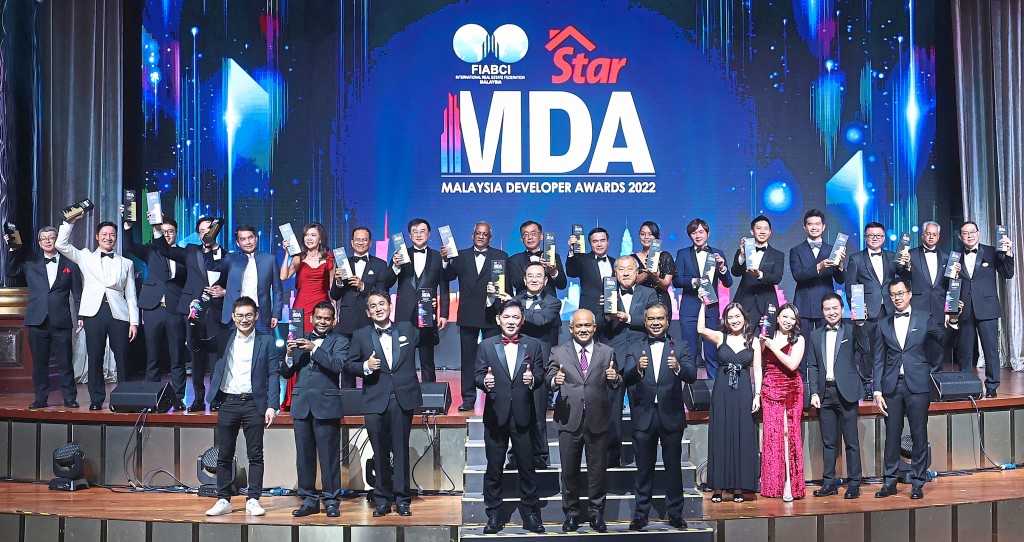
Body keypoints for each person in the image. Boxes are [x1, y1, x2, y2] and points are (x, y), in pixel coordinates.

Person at [872, 279, 958, 499]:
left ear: (909, 294)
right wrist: (877, 391)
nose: (897, 298)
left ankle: (918, 482)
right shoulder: (883, 323)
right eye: (893, 294)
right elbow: (878, 360)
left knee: (919, 435)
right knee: (891, 436)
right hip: (892, 387)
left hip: (917, 385)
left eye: (901, 293)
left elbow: (944, 340)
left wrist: (954, 321)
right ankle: (890, 481)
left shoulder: (923, 317)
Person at [344, 291, 422, 517]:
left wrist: (430, 311)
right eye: (373, 306)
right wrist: (365, 366)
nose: (378, 308)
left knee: (400, 450)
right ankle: (382, 500)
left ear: (390, 306)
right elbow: (349, 365)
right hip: (374, 399)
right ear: (368, 312)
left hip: (401, 398)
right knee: (379, 451)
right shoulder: (360, 335)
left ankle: (402, 498)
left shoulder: (407, 329)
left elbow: (430, 338)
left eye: (382, 303)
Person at [203, 297, 281, 517]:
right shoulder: (225, 337)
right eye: (240, 315)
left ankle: (253, 499)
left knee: (255, 454)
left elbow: (273, 374)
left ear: (256, 316)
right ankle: (223, 499)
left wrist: (272, 405)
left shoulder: (266, 342)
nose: (244, 319)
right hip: (228, 402)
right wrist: (193, 321)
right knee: (224, 454)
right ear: (233, 317)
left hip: (254, 404)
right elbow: (200, 345)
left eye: (249, 315)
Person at [622, 302, 696, 530]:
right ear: (645, 322)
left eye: (660, 319)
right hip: (643, 416)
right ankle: (641, 514)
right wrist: (638, 369)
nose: (656, 323)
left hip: (671, 415)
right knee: (644, 468)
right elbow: (626, 377)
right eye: (652, 319)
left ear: (667, 321)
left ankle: (675, 513)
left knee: (673, 468)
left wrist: (677, 369)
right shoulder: (634, 346)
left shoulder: (680, 346)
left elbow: (692, 375)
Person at [474, 300, 546, 534]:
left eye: (516, 317)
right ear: (498, 319)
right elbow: (477, 375)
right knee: (494, 468)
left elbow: (540, 374)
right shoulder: (486, 345)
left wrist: (533, 380)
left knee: (527, 467)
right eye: (507, 317)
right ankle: (494, 514)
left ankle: (531, 515)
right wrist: (485, 382)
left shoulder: (533, 345)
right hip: (496, 415)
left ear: (522, 320)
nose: (511, 321)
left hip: (524, 415)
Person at [546, 309, 620, 533]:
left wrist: (615, 378)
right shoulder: (558, 352)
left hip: (598, 418)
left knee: (598, 471)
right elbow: (548, 377)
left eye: (588, 325)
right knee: (569, 470)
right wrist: (554, 381)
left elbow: (616, 379)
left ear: (594, 328)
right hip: (569, 419)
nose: (583, 330)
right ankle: (571, 513)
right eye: (579, 326)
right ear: (571, 329)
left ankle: (597, 513)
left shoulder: (607, 352)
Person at [55, 215, 139, 410]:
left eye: (112, 234)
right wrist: (69, 222)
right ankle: (96, 399)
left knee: (123, 358)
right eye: (104, 234)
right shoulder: (85, 256)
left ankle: (124, 398)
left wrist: (134, 321)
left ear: (116, 238)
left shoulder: (126, 263)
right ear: (97, 237)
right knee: (95, 357)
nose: (108, 237)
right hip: (93, 312)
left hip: (119, 313)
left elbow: (132, 295)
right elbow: (61, 244)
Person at [152, 216, 229, 411]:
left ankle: (216, 397)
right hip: (194, 308)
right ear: (198, 234)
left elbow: (234, 283)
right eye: (202, 231)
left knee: (216, 357)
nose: (205, 233)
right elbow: (165, 250)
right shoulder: (190, 251)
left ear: (216, 231)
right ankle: (198, 399)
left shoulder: (227, 255)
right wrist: (157, 230)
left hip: (217, 309)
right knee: (196, 356)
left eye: (209, 229)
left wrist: (225, 292)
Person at [282, 301, 348, 518]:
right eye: (318, 318)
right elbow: (285, 373)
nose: (322, 322)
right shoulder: (300, 339)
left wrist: (315, 349)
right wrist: (290, 355)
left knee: (328, 457)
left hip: (326, 405)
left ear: (334, 321)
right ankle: (308, 499)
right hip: (301, 405)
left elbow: (338, 366)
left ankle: (331, 500)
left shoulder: (340, 341)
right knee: (304, 456)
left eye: (327, 318)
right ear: (311, 319)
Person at [6, 227, 83, 409]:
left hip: (61, 319)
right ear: (39, 243)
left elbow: (78, 293)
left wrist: (81, 316)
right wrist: (11, 249)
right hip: (37, 319)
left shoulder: (70, 263)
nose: (48, 241)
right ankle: (41, 398)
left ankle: (69, 397)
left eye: (51, 238)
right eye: (44, 239)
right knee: (39, 363)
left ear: (57, 240)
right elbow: (10, 272)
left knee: (65, 362)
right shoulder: (30, 262)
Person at [696, 302, 760, 503]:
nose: (734, 320)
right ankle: (717, 487)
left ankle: (739, 487)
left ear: (745, 318)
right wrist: (702, 305)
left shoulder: (753, 341)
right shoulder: (720, 337)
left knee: (742, 435)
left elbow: (757, 370)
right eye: (730, 317)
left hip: (743, 391)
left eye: (737, 316)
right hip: (722, 391)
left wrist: (757, 394)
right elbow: (700, 329)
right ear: (725, 319)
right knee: (721, 435)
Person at [123, 213, 188, 410]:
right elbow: (129, 247)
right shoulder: (151, 251)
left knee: (177, 356)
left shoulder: (185, 254)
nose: (167, 235)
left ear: (177, 233)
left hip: (175, 309)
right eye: (163, 231)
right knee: (152, 356)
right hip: (152, 309)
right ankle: (152, 396)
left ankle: (177, 398)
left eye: (170, 232)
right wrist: (127, 226)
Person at [807, 293, 869, 499]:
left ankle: (854, 483)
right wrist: (814, 391)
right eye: (827, 309)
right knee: (829, 442)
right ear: (822, 311)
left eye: (835, 308)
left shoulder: (851, 330)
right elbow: (813, 366)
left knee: (851, 442)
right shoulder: (815, 335)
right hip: (825, 394)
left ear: (843, 310)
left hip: (847, 393)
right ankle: (829, 482)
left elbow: (865, 348)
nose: (831, 312)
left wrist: (860, 325)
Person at [442, 221, 510, 411]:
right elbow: (448, 276)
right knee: (468, 359)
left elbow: (506, 287)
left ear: (490, 237)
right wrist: (446, 260)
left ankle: (495, 397)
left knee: (494, 359)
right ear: (472, 235)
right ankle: (469, 398)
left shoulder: (501, 256)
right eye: (478, 233)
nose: (481, 236)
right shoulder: (460, 256)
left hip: (491, 314)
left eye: (485, 234)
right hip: (468, 315)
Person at [602, 256, 656, 467]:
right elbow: (596, 325)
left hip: (640, 357)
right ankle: (612, 459)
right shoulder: (606, 292)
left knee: (641, 411)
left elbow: (654, 320)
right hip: (613, 359)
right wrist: (604, 312)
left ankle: (640, 458)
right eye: (621, 269)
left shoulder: (649, 293)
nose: (625, 273)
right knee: (612, 413)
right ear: (615, 273)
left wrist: (627, 318)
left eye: (630, 269)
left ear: (637, 272)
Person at [845, 221, 909, 399]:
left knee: (891, 348)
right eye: (871, 235)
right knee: (868, 352)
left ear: (884, 238)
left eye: (879, 236)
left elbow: (904, 276)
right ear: (865, 238)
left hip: (890, 309)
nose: (875, 239)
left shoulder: (891, 256)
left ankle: (887, 384)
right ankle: (866, 386)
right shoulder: (856, 259)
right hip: (868, 312)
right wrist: (857, 311)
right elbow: (850, 287)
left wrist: (907, 266)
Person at [508, 262, 561, 469]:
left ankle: (540, 456)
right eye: (530, 275)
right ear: (524, 279)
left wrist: (516, 311)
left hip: (540, 362)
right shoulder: (514, 300)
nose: (534, 279)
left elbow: (540, 320)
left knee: (538, 412)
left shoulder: (553, 302)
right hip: (515, 359)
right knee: (515, 410)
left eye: (539, 276)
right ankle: (515, 456)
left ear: (545, 280)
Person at [384, 218, 449, 383]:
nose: (419, 235)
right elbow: (387, 282)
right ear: (409, 235)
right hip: (405, 313)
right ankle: (406, 395)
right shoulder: (400, 255)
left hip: (428, 313)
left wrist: (444, 313)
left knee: (427, 358)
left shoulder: (437, 256)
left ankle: (430, 398)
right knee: (404, 357)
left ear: (429, 234)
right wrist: (395, 266)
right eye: (415, 232)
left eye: (422, 231)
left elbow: (444, 285)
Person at [955, 221, 1014, 396]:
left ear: (979, 233)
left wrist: (1009, 252)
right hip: (964, 308)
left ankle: (992, 386)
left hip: (987, 308)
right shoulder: (954, 255)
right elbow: (949, 284)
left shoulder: (991, 251)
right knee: (965, 351)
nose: (969, 235)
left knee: (990, 349)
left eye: (972, 232)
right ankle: (966, 386)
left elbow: (1008, 273)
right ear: (960, 237)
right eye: (965, 233)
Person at [280, 222, 334, 407]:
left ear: (320, 238)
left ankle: (318, 392)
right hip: (300, 308)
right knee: (297, 348)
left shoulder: (329, 258)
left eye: (313, 235)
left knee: (319, 347)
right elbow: (284, 276)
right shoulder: (298, 257)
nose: (309, 238)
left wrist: (336, 311)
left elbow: (333, 288)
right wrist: (287, 253)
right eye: (306, 235)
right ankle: (293, 396)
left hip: (322, 308)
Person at [757, 303, 806, 501]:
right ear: (777, 318)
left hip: (791, 388)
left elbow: (792, 365)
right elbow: (758, 360)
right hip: (770, 389)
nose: (787, 321)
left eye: (792, 318)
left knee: (789, 434)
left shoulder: (798, 339)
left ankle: (789, 483)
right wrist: (758, 391)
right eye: (784, 316)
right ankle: (771, 483)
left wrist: (773, 347)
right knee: (773, 436)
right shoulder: (766, 335)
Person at [673, 218, 732, 378]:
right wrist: (693, 281)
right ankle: (690, 394)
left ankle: (715, 391)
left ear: (708, 233)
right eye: (694, 232)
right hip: (689, 309)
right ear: (689, 235)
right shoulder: (683, 254)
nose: (698, 235)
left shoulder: (718, 254)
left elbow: (728, 282)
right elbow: (677, 281)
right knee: (690, 353)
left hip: (711, 309)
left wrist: (722, 268)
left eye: (701, 232)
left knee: (712, 353)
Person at [204, 225, 283, 333]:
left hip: (260, 314)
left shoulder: (269, 259)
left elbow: (277, 290)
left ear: (256, 238)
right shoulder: (232, 258)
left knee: (261, 348)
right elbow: (211, 265)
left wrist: (276, 314)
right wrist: (208, 247)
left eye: (250, 237)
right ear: (238, 243)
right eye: (243, 239)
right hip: (237, 312)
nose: (248, 242)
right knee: (236, 348)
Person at [329, 227, 394, 346]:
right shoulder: (342, 263)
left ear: (370, 243)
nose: (360, 243)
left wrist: (363, 286)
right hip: (347, 320)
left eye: (364, 240)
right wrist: (338, 281)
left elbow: (383, 291)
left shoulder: (380, 264)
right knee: (346, 358)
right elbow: (334, 295)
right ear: (352, 242)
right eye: (357, 239)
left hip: (370, 320)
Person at [789, 209, 845, 340]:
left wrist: (840, 265)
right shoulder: (796, 250)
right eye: (810, 224)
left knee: (826, 345)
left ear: (823, 227)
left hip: (826, 305)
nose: (814, 227)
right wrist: (819, 267)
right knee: (802, 344)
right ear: (805, 227)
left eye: (817, 224)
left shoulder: (832, 249)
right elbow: (798, 276)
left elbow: (841, 280)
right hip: (803, 304)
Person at [906, 221, 951, 371]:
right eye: (928, 234)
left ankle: (935, 386)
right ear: (922, 235)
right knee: (917, 349)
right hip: (918, 308)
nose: (931, 237)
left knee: (937, 350)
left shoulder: (946, 257)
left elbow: (950, 286)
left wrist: (948, 311)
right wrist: (906, 267)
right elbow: (902, 278)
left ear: (938, 237)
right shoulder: (910, 255)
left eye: (934, 234)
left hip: (939, 309)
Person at [730, 215, 784, 327]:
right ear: (752, 231)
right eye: (759, 228)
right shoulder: (742, 252)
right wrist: (742, 255)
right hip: (744, 301)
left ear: (770, 232)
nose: (762, 231)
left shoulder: (778, 255)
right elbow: (735, 272)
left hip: (767, 303)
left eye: (766, 229)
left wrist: (760, 275)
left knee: (765, 340)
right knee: (741, 339)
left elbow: (777, 278)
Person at [565, 227, 614, 338]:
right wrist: (572, 252)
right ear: (590, 243)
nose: (599, 244)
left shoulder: (615, 262)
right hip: (589, 314)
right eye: (595, 241)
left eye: (602, 240)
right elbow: (571, 272)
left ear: (608, 242)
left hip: (611, 316)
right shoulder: (583, 259)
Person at [507, 220, 567, 297]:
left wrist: (553, 272)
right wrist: (535, 267)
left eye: (533, 233)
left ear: (541, 236)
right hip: (523, 305)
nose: (530, 237)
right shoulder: (514, 259)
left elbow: (562, 285)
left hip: (549, 305)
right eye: (526, 234)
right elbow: (515, 283)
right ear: (522, 239)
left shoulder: (553, 257)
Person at [632, 221, 676, 311]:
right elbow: (632, 282)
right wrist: (648, 271)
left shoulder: (665, 256)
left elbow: (666, 285)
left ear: (656, 236)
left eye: (650, 234)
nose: (646, 237)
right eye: (642, 234)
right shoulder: (632, 258)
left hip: (660, 300)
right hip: (639, 301)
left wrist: (656, 278)